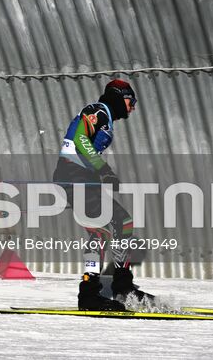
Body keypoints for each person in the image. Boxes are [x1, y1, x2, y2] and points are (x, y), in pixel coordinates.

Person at [52, 78, 151, 310]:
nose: (132, 107)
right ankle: (88, 294)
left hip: (83, 178)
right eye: (130, 101)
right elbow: (79, 139)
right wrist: (103, 169)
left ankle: (123, 287)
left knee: (122, 222)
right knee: (101, 229)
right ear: (119, 96)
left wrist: (99, 174)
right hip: (71, 176)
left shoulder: (105, 117)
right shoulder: (97, 110)